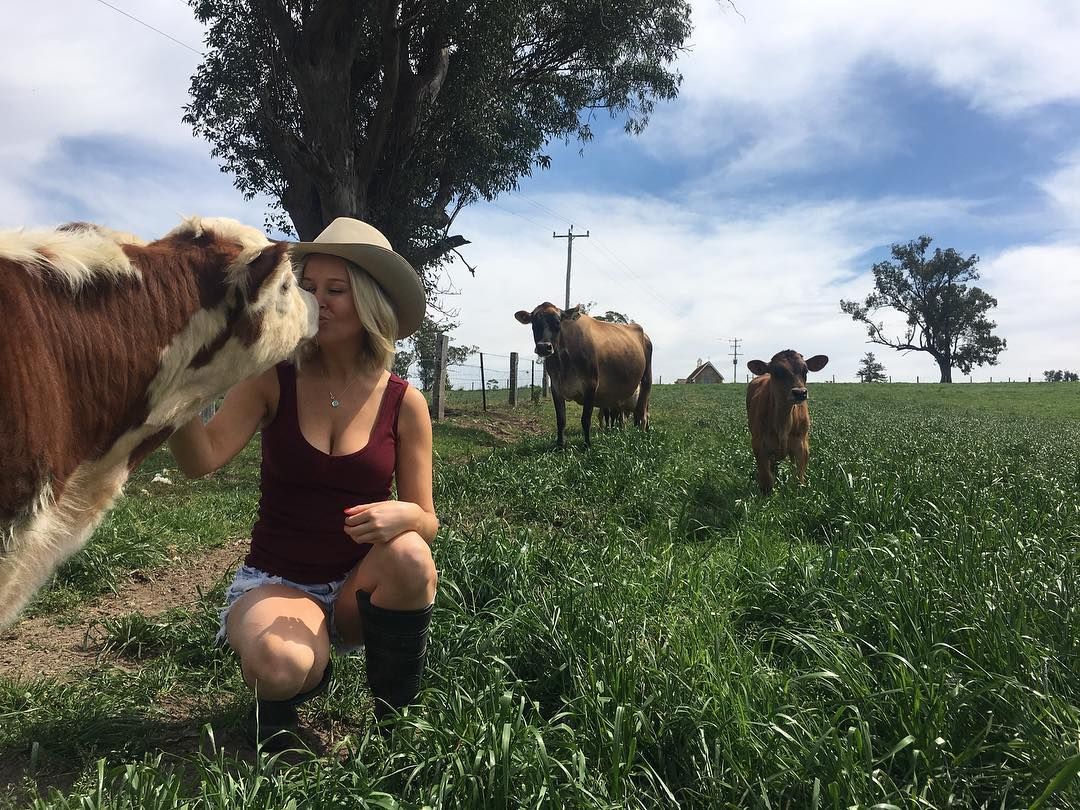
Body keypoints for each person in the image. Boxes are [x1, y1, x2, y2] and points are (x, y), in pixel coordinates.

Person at [167, 217, 438, 749]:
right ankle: (294, 686)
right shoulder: (272, 377)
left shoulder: (405, 402)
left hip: (358, 588)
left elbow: (426, 520)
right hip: (278, 581)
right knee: (281, 665)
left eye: (337, 290)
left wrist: (405, 515)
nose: (318, 301)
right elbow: (202, 459)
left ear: (370, 303)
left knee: (411, 554)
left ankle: (395, 725)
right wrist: (175, 390)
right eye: (308, 286)